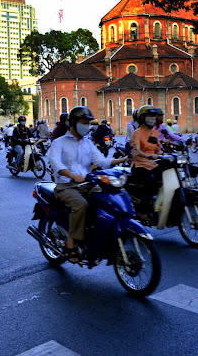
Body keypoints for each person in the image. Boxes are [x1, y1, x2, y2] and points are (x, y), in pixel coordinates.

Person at [48, 106, 127, 263]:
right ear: (73, 123)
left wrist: (123, 161)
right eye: (84, 123)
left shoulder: (88, 143)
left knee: (109, 199)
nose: (87, 126)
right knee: (81, 205)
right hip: (66, 186)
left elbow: (102, 161)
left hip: (87, 184)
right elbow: (56, 164)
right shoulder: (59, 143)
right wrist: (71, 175)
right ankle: (71, 241)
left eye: (88, 123)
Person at [130, 106, 163, 219]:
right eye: (149, 116)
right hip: (140, 164)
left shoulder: (155, 132)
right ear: (143, 118)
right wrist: (148, 155)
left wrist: (161, 153)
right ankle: (143, 211)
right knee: (150, 182)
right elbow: (137, 149)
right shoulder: (137, 132)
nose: (152, 119)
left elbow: (158, 148)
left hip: (153, 163)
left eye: (154, 116)